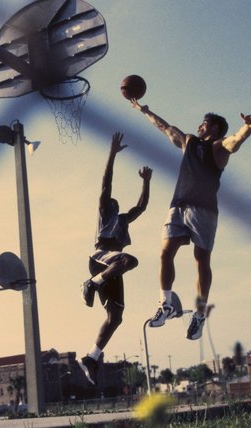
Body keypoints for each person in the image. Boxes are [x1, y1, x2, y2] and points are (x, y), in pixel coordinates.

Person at [131, 98, 251, 340]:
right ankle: (166, 303)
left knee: (201, 260)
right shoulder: (189, 141)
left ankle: (199, 314)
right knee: (165, 253)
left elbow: (236, 141)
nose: (199, 126)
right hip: (178, 205)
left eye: (204, 123)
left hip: (204, 211)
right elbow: (165, 127)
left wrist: (247, 128)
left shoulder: (220, 147)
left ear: (213, 128)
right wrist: (145, 110)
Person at [78, 132, 152, 385]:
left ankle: (91, 356)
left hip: (112, 267)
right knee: (130, 260)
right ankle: (90, 283)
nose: (113, 201)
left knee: (116, 317)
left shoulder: (121, 218)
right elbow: (105, 183)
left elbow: (141, 207)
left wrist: (147, 181)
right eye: (110, 200)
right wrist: (112, 153)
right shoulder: (103, 211)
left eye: (114, 202)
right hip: (101, 258)